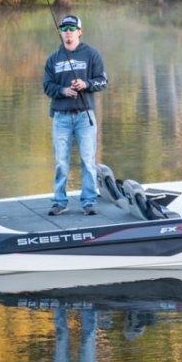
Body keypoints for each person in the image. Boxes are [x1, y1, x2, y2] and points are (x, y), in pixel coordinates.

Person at [42, 14, 108, 215]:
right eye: (64, 29)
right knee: (61, 161)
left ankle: (88, 201)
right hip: (61, 117)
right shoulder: (53, 58)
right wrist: (63, 91)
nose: (68, 32)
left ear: (80, 31)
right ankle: (60, 201)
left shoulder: (92, 54)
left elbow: (103, 81)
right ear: (60, 32)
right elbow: (47, 85)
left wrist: (85, 84)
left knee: (88, 160)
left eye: (71, 29)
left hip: (84, 116)